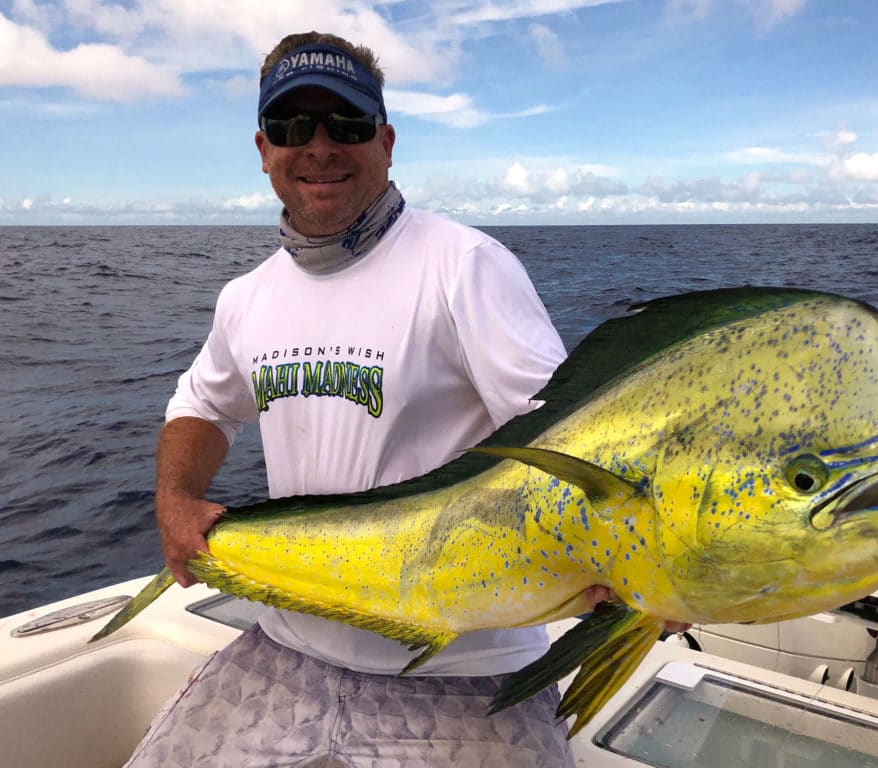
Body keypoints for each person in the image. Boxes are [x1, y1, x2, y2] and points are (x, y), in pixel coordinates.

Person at [125, 30, 582, 768]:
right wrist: (175, 500)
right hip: (288, 642)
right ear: (263, 148)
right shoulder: (247, 297)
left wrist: (627, 565)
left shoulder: (465, 265)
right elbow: (203, 407)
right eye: (292, 126)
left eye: (346, 124)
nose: (319, 147)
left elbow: (565, 439)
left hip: (464, 665)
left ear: (387, 140)